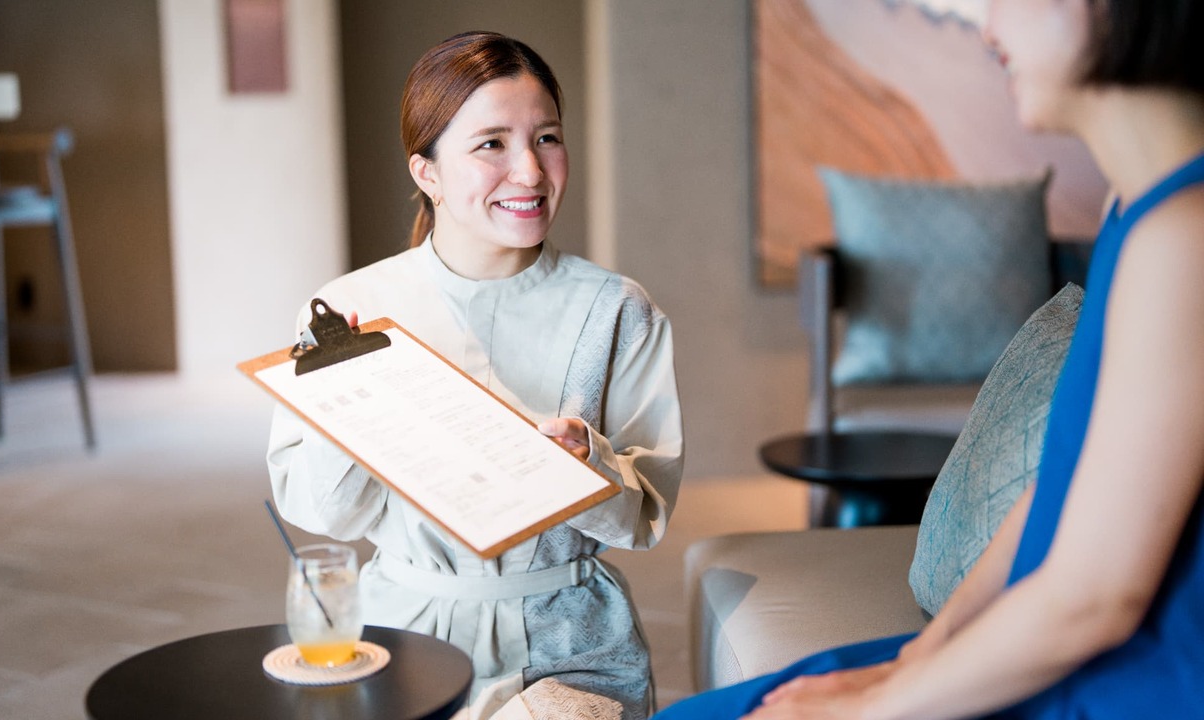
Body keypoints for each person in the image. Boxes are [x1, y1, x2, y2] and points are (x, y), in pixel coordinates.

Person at [655, 0, 1204, 718]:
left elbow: (1096, 601)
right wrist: (923, 651)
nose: (987, 26)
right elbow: (1059, 487)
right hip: (1050, 644)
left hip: (1124, 680)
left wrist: (859, 712)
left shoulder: (1183, 237)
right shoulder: (1130, 211)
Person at [268, 31, 684, 720]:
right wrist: (352, 417)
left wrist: (587, 461)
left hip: (571, 647)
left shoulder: (616, 310)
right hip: (401, 639)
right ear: (425, 171)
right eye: (492, 143)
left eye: (546, 137)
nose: (529, 170)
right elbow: (326, 515)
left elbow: (643, 515)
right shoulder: (350, 312)